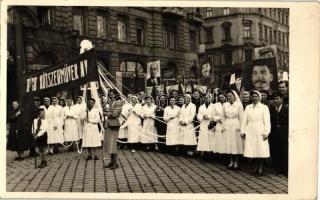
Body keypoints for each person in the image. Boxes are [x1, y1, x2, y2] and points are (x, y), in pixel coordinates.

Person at [241, 90, 271, 176]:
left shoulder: (264, 107)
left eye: (256, 96)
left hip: (260, 130)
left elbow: (267, 121)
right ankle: (255, 167)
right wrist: (243, 131)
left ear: (259, 97)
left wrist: (266, 132)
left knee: (260, 149)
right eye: (253, 96)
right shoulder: (248, 107)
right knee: (252, 149)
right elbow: (244, 121)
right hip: (250, 130)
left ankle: (260, 168)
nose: (254, 98)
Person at [269, 92, 289, 177]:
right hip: (274, 134)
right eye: (274, 99)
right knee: (275, 152)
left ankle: (286, 171)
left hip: (284, 135)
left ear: (281, 99)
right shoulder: (271, 109)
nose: (275, 100)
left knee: (284, 153)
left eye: (277, 98)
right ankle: (278, 169)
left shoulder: (286, 109)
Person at [223, 90, 244, 170]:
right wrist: (223, 126)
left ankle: (236, 162)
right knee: (229, 144)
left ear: (234, 96)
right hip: (228, 124)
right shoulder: (225, 105)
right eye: (228, 96)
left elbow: (242, 117)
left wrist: (242, 129)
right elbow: (223, 117)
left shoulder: (238, 105)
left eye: (230, 96)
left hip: (236, 125)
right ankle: (231, 161)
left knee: (235, 144)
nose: (229, 98)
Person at [104, 90, 123, 169]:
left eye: (112, 94)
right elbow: (106, 110)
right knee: (109, 143)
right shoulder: (110, 102)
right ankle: (112, 161)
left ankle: (115, 162)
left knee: (113, 144)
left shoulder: (119, 102)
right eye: (110, 94)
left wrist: (107, 113)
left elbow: (116, 114)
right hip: (108, 124)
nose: (111, 95)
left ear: (115, 94)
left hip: (114, 124)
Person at [196, 93, 215, 160]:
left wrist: (209, 117)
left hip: (210, 124)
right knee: (203, 139)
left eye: (208, 98)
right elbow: (198, 116)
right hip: (203, 124)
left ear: (211, 98)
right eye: (206, 98)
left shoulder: (213, 106)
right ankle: (204, 153)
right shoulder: (201, 107)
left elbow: (214, 115)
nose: (207, 99)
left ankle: (210, 154)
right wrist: (202, 117)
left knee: (210, 139)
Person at [212, 92, 227, 158]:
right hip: (219, 123)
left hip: (227, 124)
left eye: (223, 97)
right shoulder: (215, 105)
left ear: (225, 97)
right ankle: (219, 155)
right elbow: (213, 115)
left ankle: (225, 155)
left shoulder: (227, 104)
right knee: (219, 139)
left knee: (225, 140)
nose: (221, 99)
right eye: (220, 97)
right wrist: (218, 119)